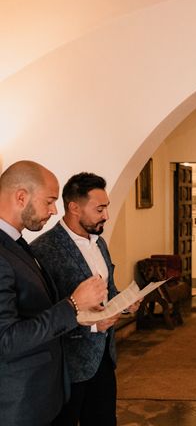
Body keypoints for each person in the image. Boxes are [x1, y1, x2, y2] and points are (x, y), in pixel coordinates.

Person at [0, 161, 107, 426]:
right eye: (49, 201)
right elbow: (5, 340)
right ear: (21, 196)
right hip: (19, 403)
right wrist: (72, 305)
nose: (54, 210)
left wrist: (79, 316)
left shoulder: (17, 242)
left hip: (42, 394)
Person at [31, 172, 137, 426]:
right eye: (100, 209)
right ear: (74, 208)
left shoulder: (99, 243)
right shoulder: (44, 249)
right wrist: (91, 325)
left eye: (107, 208)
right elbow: (45, 312)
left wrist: (124, 303)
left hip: (104, 357)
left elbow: (108, 290)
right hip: (67, 364)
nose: (106, 216)